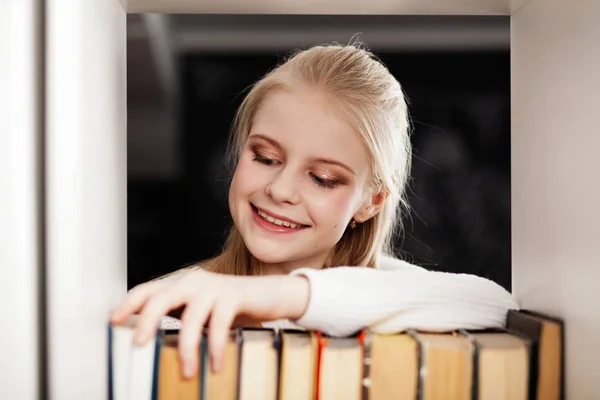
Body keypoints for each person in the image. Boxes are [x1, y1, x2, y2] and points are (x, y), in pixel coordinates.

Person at [111, 43, 519, 378]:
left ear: (371, 201)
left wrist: (284, 296)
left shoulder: (402, 296)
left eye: (323, 178)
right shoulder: (169, 307)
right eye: (266, 158)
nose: (281, 190)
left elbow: (497, 306)